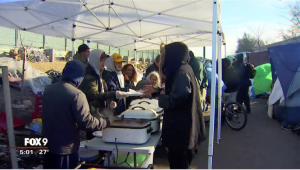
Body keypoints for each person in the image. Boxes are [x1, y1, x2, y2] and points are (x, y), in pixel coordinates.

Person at [42, 60, 112, 169]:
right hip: (66, 148)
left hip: (49, 144)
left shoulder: (49, 89)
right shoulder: (76, 94)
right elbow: (86, 123)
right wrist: (106, 122)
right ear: (79, 76)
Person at [149, 42, 206, 169]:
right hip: (184, 127)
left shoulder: (181, 72)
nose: (163, 58)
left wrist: (162, 97)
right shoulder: (185, 68)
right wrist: (158, 91)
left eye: (165, 55)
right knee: (183, 159)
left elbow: (176, 99)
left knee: (178, 162)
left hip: (180, 129)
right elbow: (177, 91)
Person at [79, 49, 127, 140]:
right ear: (94, 60)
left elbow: (103, 92)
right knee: (94, 142)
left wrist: (110, 102)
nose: (103, 63)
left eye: (104, 60)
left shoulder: (100, 74)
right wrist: (114, 94)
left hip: (101, 115)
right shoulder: (89, 76)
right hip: (93, 116)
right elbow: (93, 95)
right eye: (101, 60)